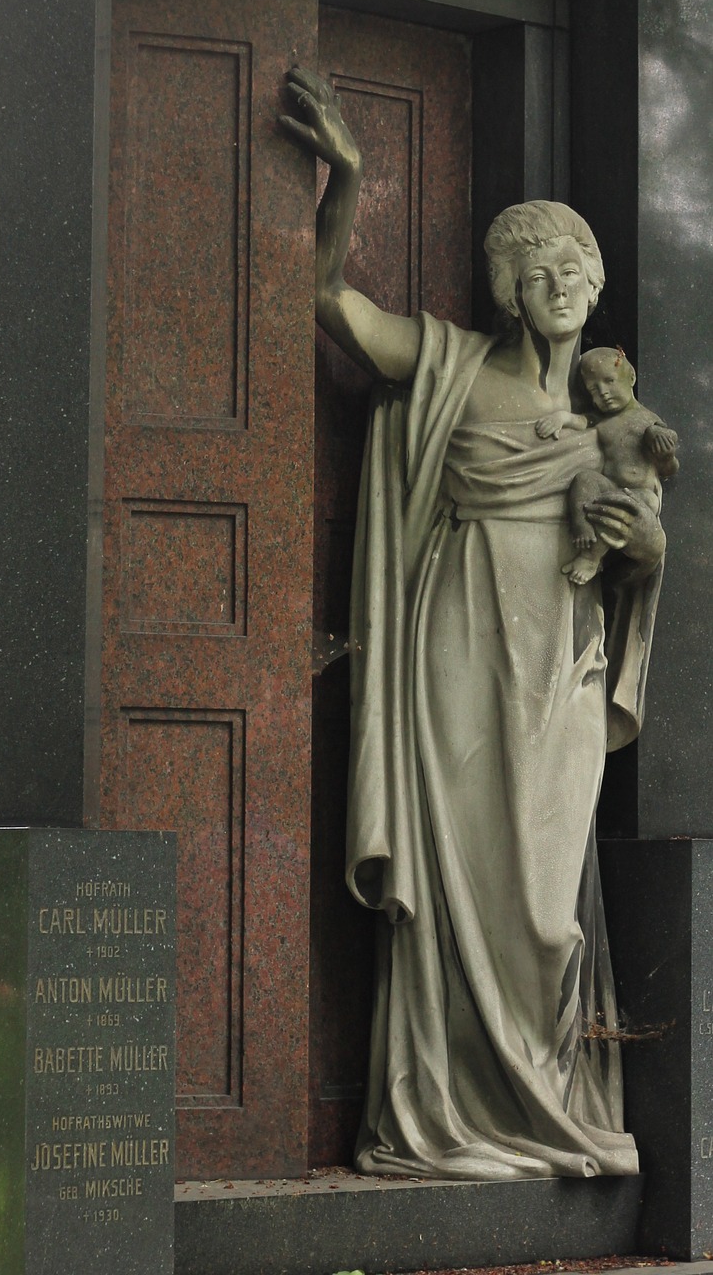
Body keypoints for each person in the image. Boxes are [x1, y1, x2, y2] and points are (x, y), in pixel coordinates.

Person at [282, 67, 666, 1180]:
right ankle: (444, 1107)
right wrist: (345, 180)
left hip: (562, 658)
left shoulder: (611, 422)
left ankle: (538, 1099)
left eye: (578, 269)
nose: (561, 282)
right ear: (507, 287)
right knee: (462, 873)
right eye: (539, 268)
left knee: (546, 899)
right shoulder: (448, 364)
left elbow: (646, 556)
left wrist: (639, 545)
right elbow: (330, 303)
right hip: (456, 638)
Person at [535, 348, 678, 584]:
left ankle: (591, 557)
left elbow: (669, 467)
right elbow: (579, 421)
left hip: (642, 494)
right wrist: (560, 418)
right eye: (593, 389)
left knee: (619, 509)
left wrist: (665, 453)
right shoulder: (601, 418)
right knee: (584, 479)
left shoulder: (647, 421)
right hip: (609, 485)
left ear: (631, 377)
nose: (603, 392)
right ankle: (583, 529)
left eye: (610, 381)